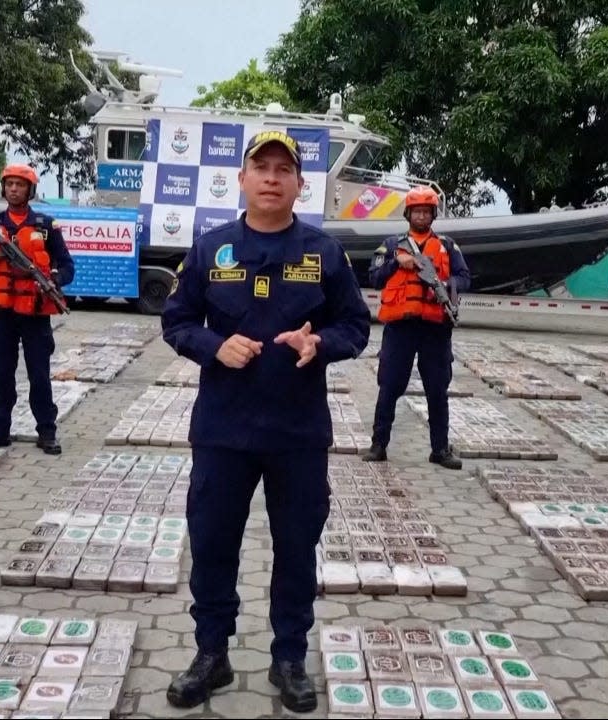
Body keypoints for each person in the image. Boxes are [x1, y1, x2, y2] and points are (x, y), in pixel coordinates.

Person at [161, 130, 370, 712]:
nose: (273, 177)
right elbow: (175, 322)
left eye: (284, 169)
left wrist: (320, 343)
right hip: (223, 432)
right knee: (212, 542)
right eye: (262, 167)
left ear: (301, 185)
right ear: (244, 179)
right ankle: (211, 654)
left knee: (297, 547)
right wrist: (213, 346)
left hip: (297, 434)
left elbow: (356, 326)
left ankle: (289, 658)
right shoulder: (211, 249)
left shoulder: (325, 253)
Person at [362, 185, 470, 469]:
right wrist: (398, 263)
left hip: (435, 328)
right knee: (389, 386)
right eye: (417, 211)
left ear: (433, 214)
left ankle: (440, 450)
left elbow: (464, 277)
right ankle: (378, 445)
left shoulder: (447, 245)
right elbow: (374, 277)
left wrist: (446, 286)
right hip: (400, 328)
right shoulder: (391, 245)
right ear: (408, 214)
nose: (421, 216)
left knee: (437, 388)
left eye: (426, 211)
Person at [0, 164, 75, 455]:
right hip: (2, 315)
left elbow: (67, 267)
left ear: (30, 190)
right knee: (1, 376)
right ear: (3, 188)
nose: (14, 189)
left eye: (20, 184)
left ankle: (47, 433)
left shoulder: (45, 225)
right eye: (9, 184)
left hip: (35, 313)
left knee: (39, 376)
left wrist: (52, 280)